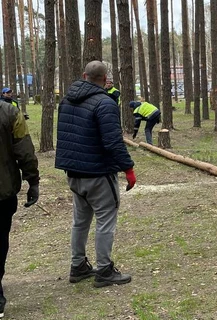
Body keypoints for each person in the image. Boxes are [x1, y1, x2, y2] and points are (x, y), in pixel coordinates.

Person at [56, 60, 136, 288]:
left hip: (74, 173)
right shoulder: (105, 103)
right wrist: (128, 168)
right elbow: (113, 141)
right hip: (98, 173)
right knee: (105, 221)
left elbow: (65, 136)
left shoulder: (67, 100)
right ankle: (104, 270)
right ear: (104, 79)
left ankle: (78, 265)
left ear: (84, 75)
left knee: (80, 221)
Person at [0, 98, 39, 318]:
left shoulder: (11, 113)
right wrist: (33, 181)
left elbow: (24, 149)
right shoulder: (10, 112)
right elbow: (24, 150)